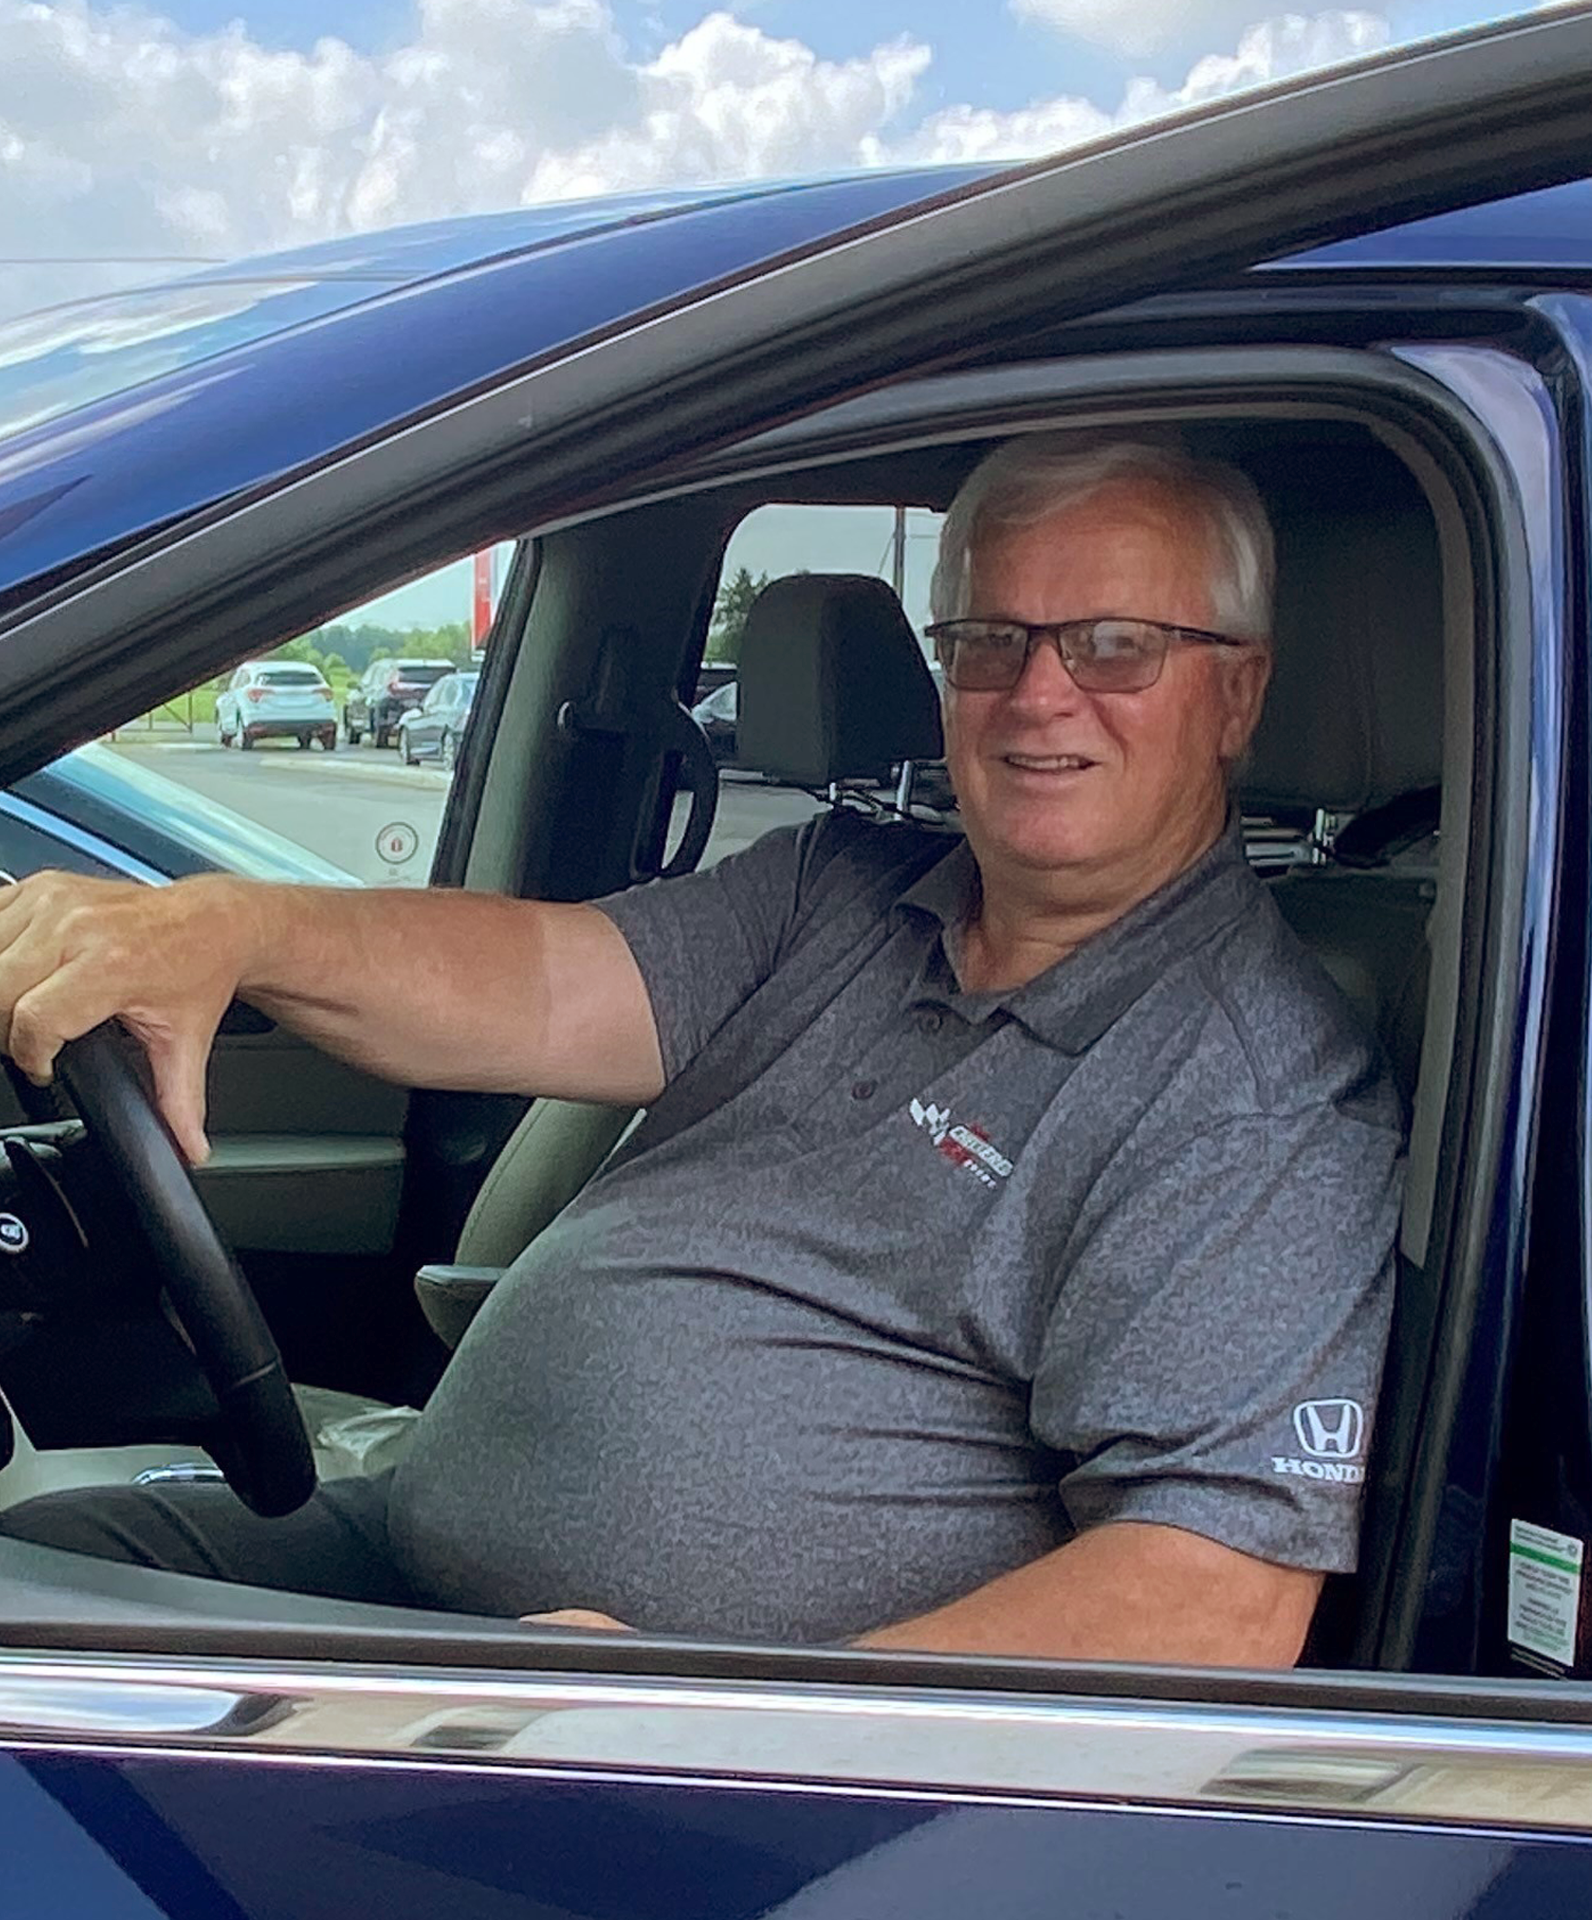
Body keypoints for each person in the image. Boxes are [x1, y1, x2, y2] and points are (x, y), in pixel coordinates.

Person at [0, 430, 1404, 1669]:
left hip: (685, 1749)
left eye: (1114, 645)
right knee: (38, 1582)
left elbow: (1211, 1599)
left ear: (1235, 693)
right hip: (423, 1579)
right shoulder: (841, 886)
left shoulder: (1253, 1089)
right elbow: (538, 983)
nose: (1037, 696)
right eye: (989, 639)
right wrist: (231, 927)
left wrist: (718, 1728)